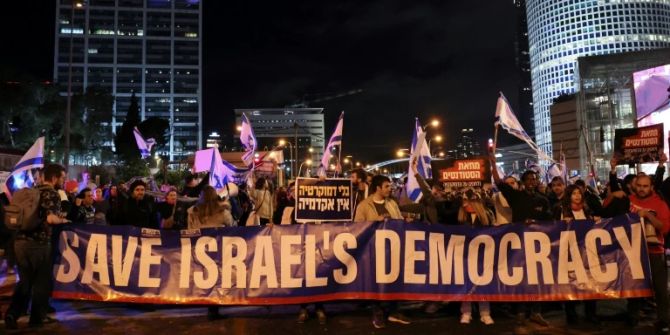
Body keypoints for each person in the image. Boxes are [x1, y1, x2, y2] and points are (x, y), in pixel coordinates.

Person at [5, 164, 69, 329]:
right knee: (41, 282)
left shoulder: (31, 191)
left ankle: (12, 313)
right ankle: (37, 318)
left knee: (25, 280)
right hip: (39, 244)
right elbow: (50, 219)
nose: (63, 181)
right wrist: (63, 220)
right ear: (54, 178)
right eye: (62, 177)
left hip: (19, 243)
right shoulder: (52, 193)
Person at [354, 175, 410, 328]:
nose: (390, 188)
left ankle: (393, 311)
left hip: (392, 249)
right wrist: (374, 221)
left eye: (390, 186)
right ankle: (377, 312)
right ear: (378, 188)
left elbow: (397, 220)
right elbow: (357, 228)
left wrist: (405, 222)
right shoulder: (364, 206)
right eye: (386, 186)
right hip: (373, 251)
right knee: (375, 282)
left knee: (394, 280)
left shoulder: (392, 203)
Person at [628, 174, 670, 334]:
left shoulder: (659, 204)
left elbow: (664, 228)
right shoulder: (628, 200)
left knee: (660, 289)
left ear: (651, 187)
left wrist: (647, 215)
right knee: (633, 286)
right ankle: (632, 316)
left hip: (654, 252)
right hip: (633, 251)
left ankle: (664, 320)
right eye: (639, 185)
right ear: (635, 185)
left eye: (645, 186)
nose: (642, 188)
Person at [553, 185, 600, 326]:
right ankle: (571, 315)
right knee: (571, 283)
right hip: (569, 253)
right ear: (569, 196)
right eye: (574, 193)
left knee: (590, 283)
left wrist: (596, 220)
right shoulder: (560, 209)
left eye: (579, 193)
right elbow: (552, 228)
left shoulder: (586, 210)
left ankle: (591, 313)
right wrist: (562, 224)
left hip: (587, 251)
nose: (577, 196)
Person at [186, 186, 233, 321]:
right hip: (218, 250)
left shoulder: (192, 212)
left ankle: (207, 304)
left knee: (204, 277)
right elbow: (232, 227)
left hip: (200, 250)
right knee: (217, 278)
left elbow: (190, 230)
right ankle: (213, 308)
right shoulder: (223, 212)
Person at [457, 189, 495, 326]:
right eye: (464, 201)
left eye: (468, 201)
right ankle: (466, 312)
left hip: (482, 256)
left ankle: (485, 313)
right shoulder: (461, 217)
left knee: (482, 284)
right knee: (466, 285)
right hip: (465, 256)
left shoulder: (487, 216)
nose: (465, 204)